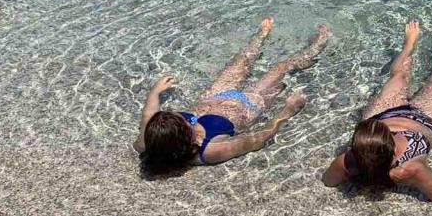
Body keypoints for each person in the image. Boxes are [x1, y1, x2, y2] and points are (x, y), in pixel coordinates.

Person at [135, 18, 330, 174]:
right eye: (188, 125)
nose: (190, 121)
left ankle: (261, 36)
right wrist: (289, 110)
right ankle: (319, 43)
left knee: (242, 59)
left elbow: (148, 115)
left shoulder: (151, 141)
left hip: (213, 95)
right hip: (249, 103)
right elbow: (260, 138)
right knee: (283, 67)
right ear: (184, 140)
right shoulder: (211, 150)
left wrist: (155, 92)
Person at [322, 20, 432, 208]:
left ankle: (408, 45)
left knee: (399, 76)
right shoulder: (410, 169)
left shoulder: (347, 161)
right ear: (392, 146)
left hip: (384, 112)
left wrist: (359, 176)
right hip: (427, 118)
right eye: (390, 133)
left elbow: (328, 181)